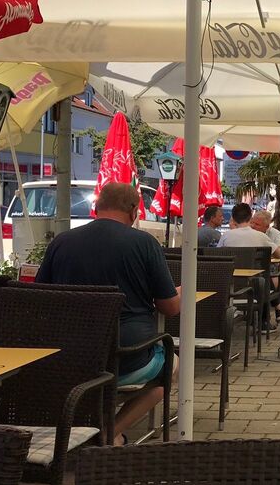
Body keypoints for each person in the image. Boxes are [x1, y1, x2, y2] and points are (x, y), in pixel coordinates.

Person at [36, 181, 181, 443]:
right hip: (126, 358)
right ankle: (110, 432)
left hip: (67, 358)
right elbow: (170, 308)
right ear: (134, 210)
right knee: (172, 365)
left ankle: (90, 423)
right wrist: (180, 292)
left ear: (97, 207)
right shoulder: (144, 243)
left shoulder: (61, 242)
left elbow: (39, 298)